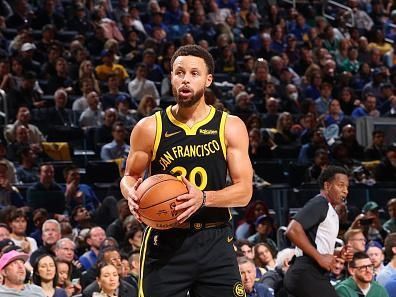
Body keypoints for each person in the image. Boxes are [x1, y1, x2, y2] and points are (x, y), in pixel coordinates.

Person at [121, 44, 253, 297]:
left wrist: (203, 198)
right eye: (179, 72)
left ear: (208, 80)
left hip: (215, 239)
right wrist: (131, 194)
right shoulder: (149, 127)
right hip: (165, 240)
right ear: (171, 76)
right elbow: (130, 177)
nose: (185, 79)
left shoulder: (230, 126)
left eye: (194, 73)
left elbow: (244, 191)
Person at [283, 165, 353, 297]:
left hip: (309, 273)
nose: (345, 191)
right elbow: (292, 230)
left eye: (347, 187)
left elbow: (317, 243)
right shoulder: (320, 203)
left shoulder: (331, 210)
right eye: (341, 185)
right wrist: (319, 257)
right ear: (327, 186)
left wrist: (338, 253)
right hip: (306, 273)